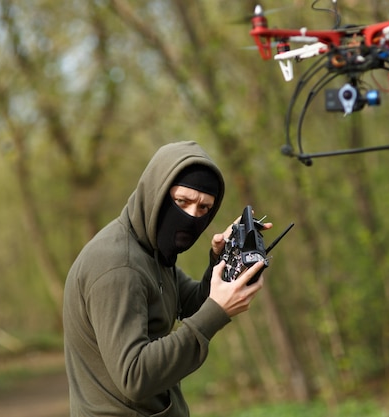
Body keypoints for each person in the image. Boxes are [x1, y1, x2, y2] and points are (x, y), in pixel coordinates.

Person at [63, 141, 268, 416]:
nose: (191, 216)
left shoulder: (151, 251)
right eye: (182, 201)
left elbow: (191, 303)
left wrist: (224, 263)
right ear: (156, 192)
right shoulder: (119, 266)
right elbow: (134, 376)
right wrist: (216, 313)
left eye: (204, 208)